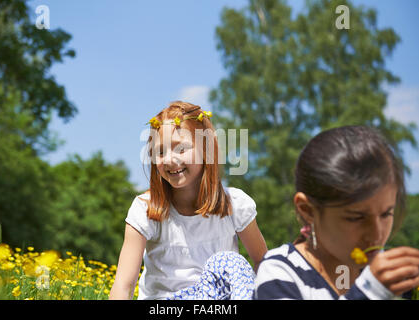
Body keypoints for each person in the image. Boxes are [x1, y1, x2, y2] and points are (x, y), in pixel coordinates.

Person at [109, 101, 267, 300]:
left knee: (230, 262)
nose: (169, 159)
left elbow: (263, 264)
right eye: (160, 152)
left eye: (181, 149)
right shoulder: (145, 209)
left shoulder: (234, 204)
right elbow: (124, 284)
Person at [254, 125, 419, 300]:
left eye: (386, 214)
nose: (376, 235)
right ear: (307, 210)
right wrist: (369, 292)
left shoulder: (386, 272)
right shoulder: (280, 272)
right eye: (356, 218)